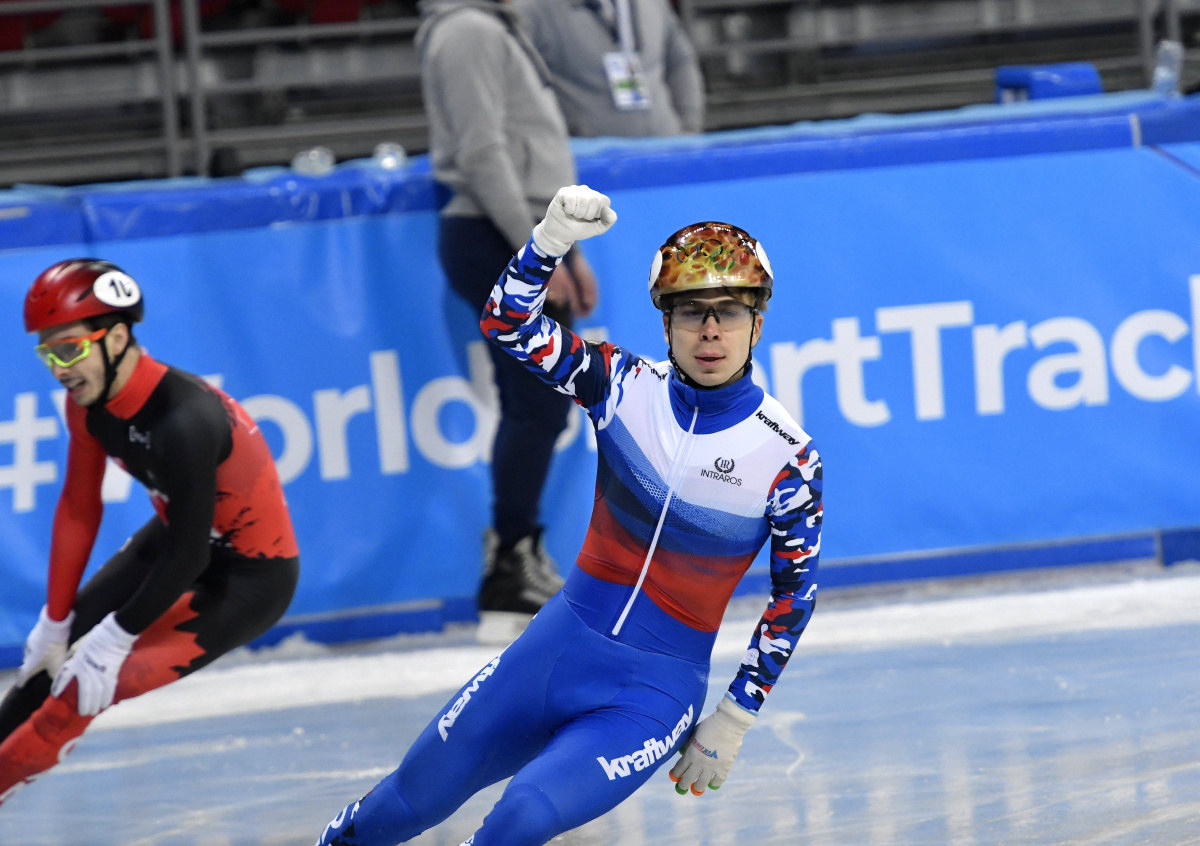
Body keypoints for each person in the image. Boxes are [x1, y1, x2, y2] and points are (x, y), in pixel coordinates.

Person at [314, 185, 823, 846]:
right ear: (665, 323)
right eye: (690, 312)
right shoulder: (621, 385)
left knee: (522, 815)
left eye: (728, 311)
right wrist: (548, 241)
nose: (709, 331)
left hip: (650, 695)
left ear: (757, 322)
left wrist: (735, 715)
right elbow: (507, 324)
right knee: (402, 804)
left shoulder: (788, 455)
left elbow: (794, 596)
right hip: (554, 650)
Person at [0, 259, 300, 805]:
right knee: (40, 670)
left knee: (78, 691)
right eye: (48, 355)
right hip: (175, 541)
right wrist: (56, 620)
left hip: (248, 581)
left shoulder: (186, 419)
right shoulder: (86, 405)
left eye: (69, 350)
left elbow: (189, 555)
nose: (60, 370)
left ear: (116, 338)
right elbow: (78, 507)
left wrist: (114, 638)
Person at [417, 0, 601, 643]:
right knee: (536, 401)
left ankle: (516, 560)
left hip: (519, 231)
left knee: (539, 399)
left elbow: (529, 153)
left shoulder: (492, 26)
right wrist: (537, 249)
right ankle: (508, 569)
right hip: (496, 234)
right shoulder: (467, 31)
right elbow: (482, 151)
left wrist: (567, 247)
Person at [516, 0, 705, 137]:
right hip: (588, 164)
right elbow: (513, 83)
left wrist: (689, 127)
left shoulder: (652, 4)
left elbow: (681, 61)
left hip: (665, 152)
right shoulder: (534, 9)